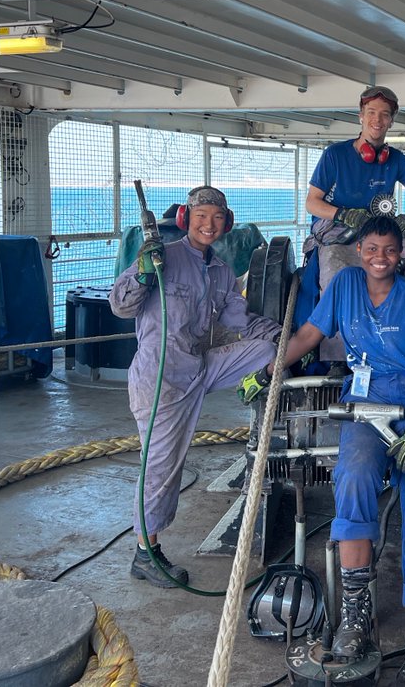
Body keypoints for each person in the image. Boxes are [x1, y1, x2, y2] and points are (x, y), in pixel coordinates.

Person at [240, 216, 405, 687]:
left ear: (400, 253)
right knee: (353, 478)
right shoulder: (346, 283)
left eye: (389, 249)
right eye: (371, 248)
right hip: (367, 405)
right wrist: (270, 369)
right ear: (359, 249)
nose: (380, 258)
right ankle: (355, 613)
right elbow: (309, 335)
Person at [109, 186, 281, 588]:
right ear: (187, 219)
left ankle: (259, 380)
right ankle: (145, 553)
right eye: (201, 216)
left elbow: (241, 322)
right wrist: (142, 272)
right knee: (162, 469)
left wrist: (287, 336)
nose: (209, 224)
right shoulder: (162, 258)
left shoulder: (221, 271)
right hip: (161, 381)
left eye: (217, 218)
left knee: (263, 350)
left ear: (227, 223)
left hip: (199, 368)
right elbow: (120, 305)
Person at [303, 85, 405, 362]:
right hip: (339, 232)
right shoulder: (335, 155)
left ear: (391, 120)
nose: (377, 120)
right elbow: (312, 202)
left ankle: (401, 258)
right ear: (360, 116)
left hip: (380, 233)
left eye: (384, 114)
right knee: (336, 280)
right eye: (371, 112)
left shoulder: (395, 159)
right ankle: (337, 358)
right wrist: (343, 214)